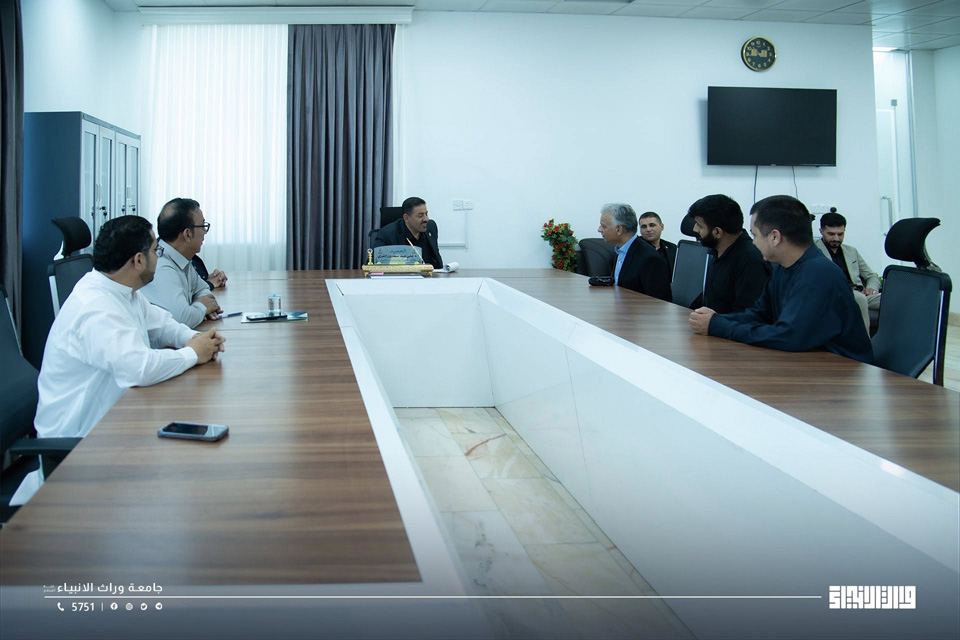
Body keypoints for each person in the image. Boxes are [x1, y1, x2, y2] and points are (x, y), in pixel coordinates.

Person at [34, 215, 226, 439]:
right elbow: (140, 368)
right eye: (155, 251)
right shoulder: (96, 307)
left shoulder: (123, 289)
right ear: (138, 261)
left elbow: (162, 324)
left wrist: (194, 338)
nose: (158, 256)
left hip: (114, 417)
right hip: (79, 441)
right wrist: (194, 352)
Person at [689, 195, 872, 364]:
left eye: (755, 235)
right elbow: (761, 315)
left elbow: (789, 336)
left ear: (775, 237)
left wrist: (719, 326)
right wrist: (717, 320)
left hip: (840, 370)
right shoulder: (784, 267)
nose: (753, 242)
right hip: (809, 362)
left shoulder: (818, 273)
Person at [141, 198, 222, 327]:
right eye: (203, 226)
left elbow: (203, 289)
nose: (205, 232)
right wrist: (202, 308)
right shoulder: (160, 265)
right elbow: (181, 319)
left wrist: (199, 307)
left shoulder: (182, 258)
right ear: (187, 234)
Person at [688, 194, 770, 313]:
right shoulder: (715, 252)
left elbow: (749, 314)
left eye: (699, 226)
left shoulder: (750, 259)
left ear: (717, 232)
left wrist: (715, 320)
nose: (695, 229)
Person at [815, 210, 880, 332]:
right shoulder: (813, 251)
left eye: (840, 234)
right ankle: (864, 342)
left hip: (860, 293)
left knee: (892, 299)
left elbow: (871, 276)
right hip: (835, 295)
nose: (836, 238)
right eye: (831, 234)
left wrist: (871, 287)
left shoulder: (851, 251)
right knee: (859, 299)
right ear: (821, 231)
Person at [597, 203, 672, 302]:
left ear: (619, 229)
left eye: (603, 226)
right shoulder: (621, 250)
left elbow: (659, 302)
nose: (599, 230)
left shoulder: (650, 258)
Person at [373, 197, 443, 269]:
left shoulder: (430, 227)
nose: (426, 219)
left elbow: (437, 262)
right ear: (406, 218)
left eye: (426, 214)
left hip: (430, 274)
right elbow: (373, 264)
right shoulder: (387, 234)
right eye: (420, 215)